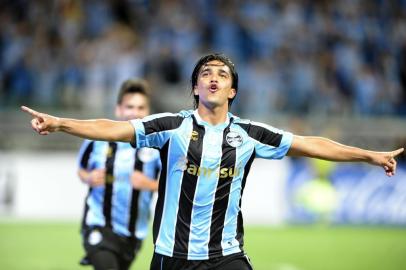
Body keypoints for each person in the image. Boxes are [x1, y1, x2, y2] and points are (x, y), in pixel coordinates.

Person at [22, 53, 404, 270]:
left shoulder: (250, 133)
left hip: (226, 256)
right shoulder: (170, 126)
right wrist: (60, 123)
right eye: (206, 73)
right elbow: (114, 128)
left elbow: (308, 143)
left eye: (222, 74)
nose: (213, 78)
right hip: (172, 256)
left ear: (232, 90)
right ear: (195, 87)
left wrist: (369, 155)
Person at [76, 79, 161, 270]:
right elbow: (81, 169)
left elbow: (173, 183)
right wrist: (88, 178)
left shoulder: (156, 145)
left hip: (133, 232)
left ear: (148, 112)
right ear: (118, 110)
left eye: (140, 107)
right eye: (129, 106)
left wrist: (150, 185)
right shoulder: (97, 140)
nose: (134, 112)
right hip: (98, 223)